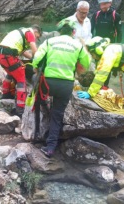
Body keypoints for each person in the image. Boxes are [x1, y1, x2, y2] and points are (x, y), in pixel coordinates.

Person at [32, 19, 91, 157]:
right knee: (57, 114)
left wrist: (36, 69)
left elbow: (37, 58)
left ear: (59, 32)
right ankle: (51, 147)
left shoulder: (49, 42)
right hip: (66, 85)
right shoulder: (78, 45)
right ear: (74, 32)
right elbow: (86, 64)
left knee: (38, 102)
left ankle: (36, 135)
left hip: (47, 83)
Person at [0, 25, 42, 117]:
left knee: (11, 73)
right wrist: (38, 61)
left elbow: (23, 52)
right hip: (8, 55)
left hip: (0, 54)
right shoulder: (30, 33)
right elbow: (34, 49)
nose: (36, 39)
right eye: (37, 37)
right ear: (36, 32)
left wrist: (32, 59)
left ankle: (6, 95)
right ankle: (20, 108)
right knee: (21, 78)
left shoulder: (21, 32)